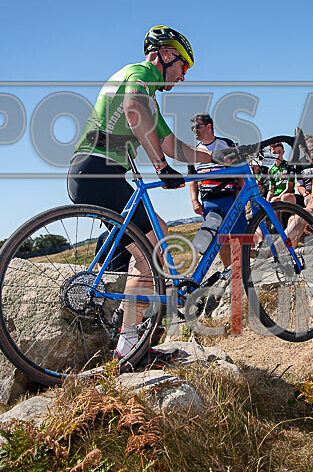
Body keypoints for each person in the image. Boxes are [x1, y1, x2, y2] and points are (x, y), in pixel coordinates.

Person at [68, 25, 211, 359]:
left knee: (157, 243)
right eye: (183, 66)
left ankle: (129, 331)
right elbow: (133, 111)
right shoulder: (140, 74)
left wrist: (215, 158)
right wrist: (160, 167)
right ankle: (130, 342)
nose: (183, 76)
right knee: (153, 253)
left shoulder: (151, 100)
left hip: (100, 173)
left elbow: (170, 143)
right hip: (96, 171)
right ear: (163, 54)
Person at [187, 113, 247, 269]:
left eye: (197, 126)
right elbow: (192, 179)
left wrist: (239, 195)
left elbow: (240, 171)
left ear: (209, 126)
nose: (194, 130)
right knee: (219, 241)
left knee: (239, 237)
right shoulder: (193, 152)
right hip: (209, 202)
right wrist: (194, 201)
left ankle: (242, 272)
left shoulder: (226, 144)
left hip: (231, 199)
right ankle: (228, 272)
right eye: (192, 127)